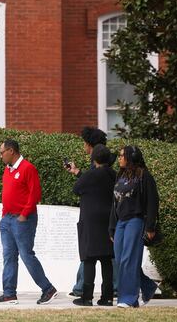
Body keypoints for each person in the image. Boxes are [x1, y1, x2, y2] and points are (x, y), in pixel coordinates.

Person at [0, 139, 58, 305]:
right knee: (8, 256)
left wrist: (24, 214)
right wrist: (4, 216)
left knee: (26, 255)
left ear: (11, 151)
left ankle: (48, 289)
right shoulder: (8, 170)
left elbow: (35, 194)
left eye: (2, 152)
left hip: (23, 219)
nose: (0, 156)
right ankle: (9, 294)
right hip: (7, 220)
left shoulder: (28, 168)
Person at [65, 127, 119, 298]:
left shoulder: (93, 170)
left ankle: (84, 293)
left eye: (85, 144)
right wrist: (79, 172)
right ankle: (108, 295)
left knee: (89, 257)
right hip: (109, 219)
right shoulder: (114, 173)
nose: (84, 147)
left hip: (92, 221)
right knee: (107, 258)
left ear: (91, 148)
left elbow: (80, 187)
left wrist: (80, 175)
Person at [110, 145, 159, 308]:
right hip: (121, 223)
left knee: (128, 260)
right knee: (120, 259)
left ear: (131, 157)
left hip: (136, 221)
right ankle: (148, 286)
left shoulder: (144, 176)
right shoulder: (121, 175)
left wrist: (150, 227)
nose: (119, 158)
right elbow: (114, 203)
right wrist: (112, 227)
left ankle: (128, 299)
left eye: (122, 156)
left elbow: (153, 202)